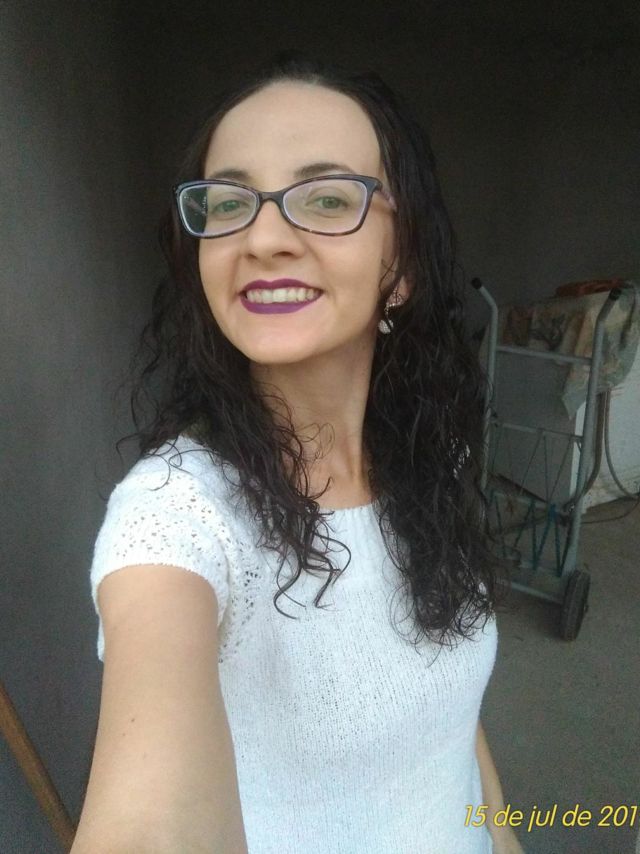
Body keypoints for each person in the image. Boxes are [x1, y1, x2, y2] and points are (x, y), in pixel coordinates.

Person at [72, 50, 524, 854]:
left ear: (402, 264)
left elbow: (453, 722)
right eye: (227, 203)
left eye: (326, 198)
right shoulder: (176, 517)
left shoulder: (429, 457)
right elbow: (146, 830)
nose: (264, 237)